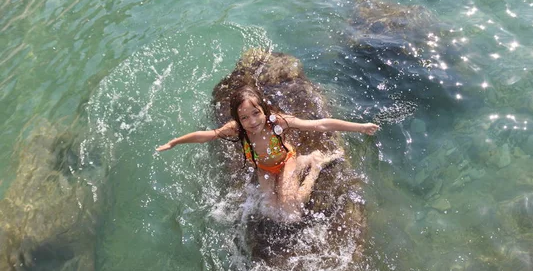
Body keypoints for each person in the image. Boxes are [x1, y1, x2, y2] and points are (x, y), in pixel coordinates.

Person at [156, 86, 379, 220]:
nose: (252, 121)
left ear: (263, 109)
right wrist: (175, 142)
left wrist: (359, 127)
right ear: (238, 119)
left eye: (256, 113)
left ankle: (314, 166)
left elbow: (319, 125)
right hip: (264, 168)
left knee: (291, 214)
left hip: (286, 161)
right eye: (245, 117)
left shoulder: (278, 122)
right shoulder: (235, 129)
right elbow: (207, 135)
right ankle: (306, 163)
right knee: (271, 212)